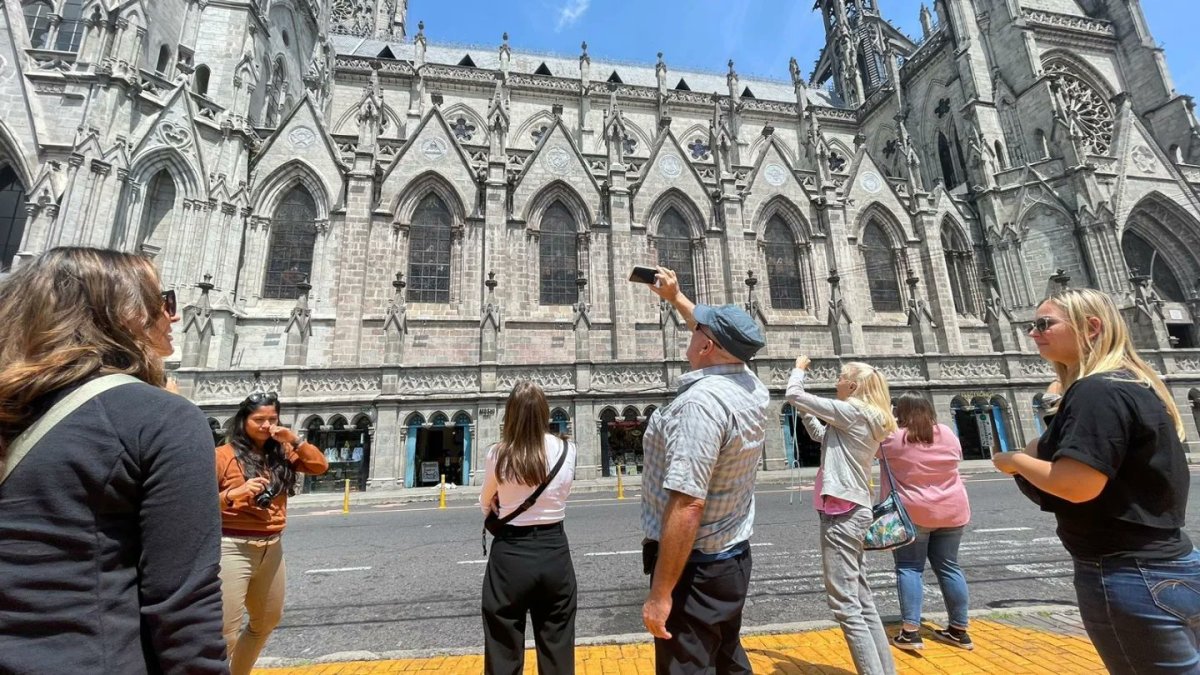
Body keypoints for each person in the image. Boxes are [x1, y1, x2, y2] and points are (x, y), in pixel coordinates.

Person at [0, 247, 227, 673]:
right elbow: (184, 608)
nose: (174, 316)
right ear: (124, 314)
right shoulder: (160, 417)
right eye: (164, 302)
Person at [994, 288, 1200, 673]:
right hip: (1170, 563)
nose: (1033, 333)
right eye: (1031, 325)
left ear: (1091, 327)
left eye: (1044, 324)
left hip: (1129, 574)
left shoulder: (1097, 390)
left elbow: (1077, 485)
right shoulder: (1131, 383)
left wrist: (1014, 461)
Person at [640, 267, 770, 674]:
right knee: (728, 659)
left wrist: (661, 594)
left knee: (689, 666)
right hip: (732, 558)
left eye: (698, 330)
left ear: (707, 345)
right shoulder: (751, 384)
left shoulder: (701, 406)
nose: (691, 330)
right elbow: (712, 330)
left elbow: (688, 504)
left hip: (696, 567)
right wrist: (676, 297)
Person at [787, 357, 897, 675]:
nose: (836, 383)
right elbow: (822, 437)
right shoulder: (867, 417)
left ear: (852, 385)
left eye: (840, 378)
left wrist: (799, 369)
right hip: (853, 509)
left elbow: (794, 393)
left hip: (841, 513)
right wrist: (809, 411)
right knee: (862, 600)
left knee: (845, 605)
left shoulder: (853, 411)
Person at [217, 392, 329, 675]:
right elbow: (195, 501)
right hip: (232, 546)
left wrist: (295, 440)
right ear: (243, 421)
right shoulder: (223, 456)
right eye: (259, 419)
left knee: (266, 621)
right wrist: (234, 493)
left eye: (272, 419)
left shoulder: (283, 454)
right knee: (225, 631)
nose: (266, 425)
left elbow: (320, 466)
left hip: (271, 547)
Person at [479, 381, 578, 675]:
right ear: (545, 412)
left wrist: (503, 501)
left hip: (511, 555)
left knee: (503, 647)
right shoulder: (566, 450)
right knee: (558, 645)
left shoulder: (498, 453)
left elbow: (485, 502)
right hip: (554, 551)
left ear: (509, 414)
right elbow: (564, 493)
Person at [878, 393, 972, 651]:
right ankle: (959, 630)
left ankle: (910, 633)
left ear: (900, 413)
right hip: (953, 511)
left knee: (909, 567)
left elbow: (869, 448)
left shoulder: (893, 438)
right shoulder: (946, 433)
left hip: (913, 514)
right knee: (950, 567)